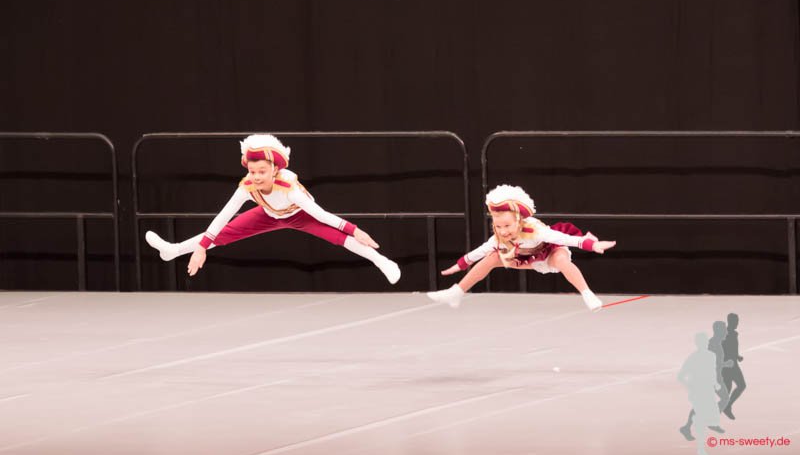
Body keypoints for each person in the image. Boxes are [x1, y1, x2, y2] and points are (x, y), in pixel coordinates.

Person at [145, 134, 401, 284]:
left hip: (300, 215)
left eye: (262, 172)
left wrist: (354, 229)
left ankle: (381, 261)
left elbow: (320, 214)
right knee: (223, 233)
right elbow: (223, 216)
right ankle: (173, 250)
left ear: (275, 169)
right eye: (252, 171)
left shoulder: (288, 187)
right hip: (268, 215)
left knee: (337, 237)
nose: (256, 177)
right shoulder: (247, 185)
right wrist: (201, 247)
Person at [427, 184, 616, 310]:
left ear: (518, 221)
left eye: (507, 226)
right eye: (498, 227)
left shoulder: (536, 231)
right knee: (491, 257)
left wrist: (592, 245)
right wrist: (459, 265)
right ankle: (456, 292)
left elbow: (566, 238)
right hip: (528, 259)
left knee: (561, 260)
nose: (503, 231)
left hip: (550, 251)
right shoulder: (498, 238)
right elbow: (478, 252)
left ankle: (587, 294)